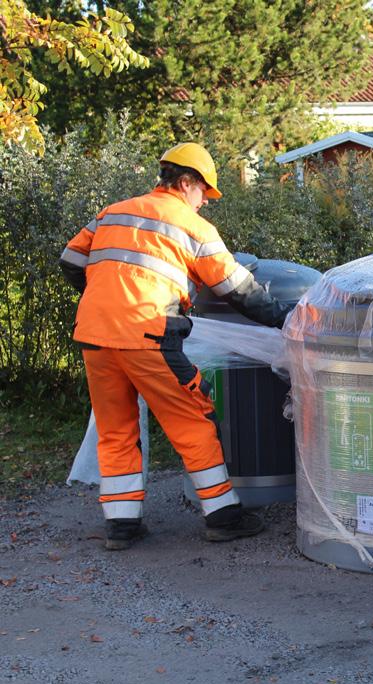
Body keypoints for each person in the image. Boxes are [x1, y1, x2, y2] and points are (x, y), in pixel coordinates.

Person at [59, 143, 287, 550]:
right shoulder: (192, 226)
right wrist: (284, 319)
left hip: (94, 336)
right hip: (147, 335)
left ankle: (121, 525)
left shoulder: (113, 212)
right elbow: (236, 289)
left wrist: (105, 299)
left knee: (115, 429)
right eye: (204, 194)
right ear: (186, 183)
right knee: (191, 420)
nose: (204, 204)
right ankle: (223, 516)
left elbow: (71, 262)